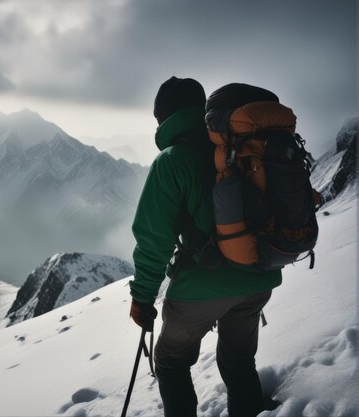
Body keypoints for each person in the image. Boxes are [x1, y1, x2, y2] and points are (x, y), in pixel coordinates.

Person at [129, 76, 282, 417]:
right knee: (239, 357)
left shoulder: (171, 161)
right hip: (259, 276)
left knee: (170, 362)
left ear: (163, 118)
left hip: (202, 288)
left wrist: (141, 298)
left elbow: (154, 241)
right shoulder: (242, 145)